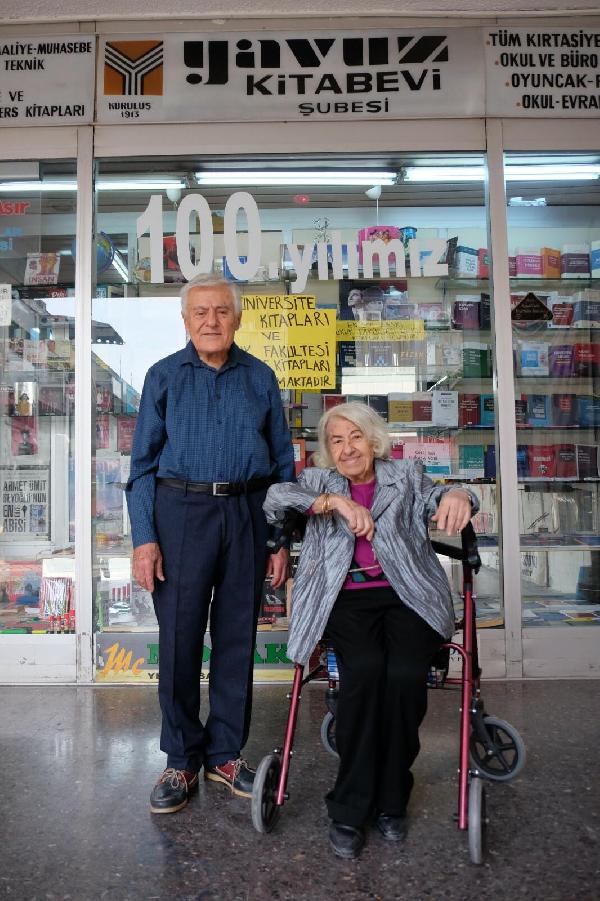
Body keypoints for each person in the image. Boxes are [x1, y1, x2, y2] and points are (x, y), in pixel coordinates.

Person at [263, 402, 478, 860]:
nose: (346, 448)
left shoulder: (405, 475)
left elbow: (446, 496)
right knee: (362, 672)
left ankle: (391, 798)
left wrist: (459, 497)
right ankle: (349, 807)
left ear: (372, 439)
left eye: (354, 437)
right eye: (336, 440)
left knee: (403, 675)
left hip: (409, 596)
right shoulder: (319, 481)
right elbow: (275, 499)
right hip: (345, 596)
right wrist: (335, 502)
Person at [126, 272, 295, 815]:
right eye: (200, 312)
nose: (211, 321)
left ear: (238, 317)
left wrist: (279, 539)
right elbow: (142, 468)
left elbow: (283, 468)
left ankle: (225, 753)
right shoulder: (163, 377)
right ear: (185, 321)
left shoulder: (261, 379)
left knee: (236, 637)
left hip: (248, 511)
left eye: (221, 311)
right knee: (178, 637)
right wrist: (145, 539)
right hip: (181, 513)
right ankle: (181, 757)